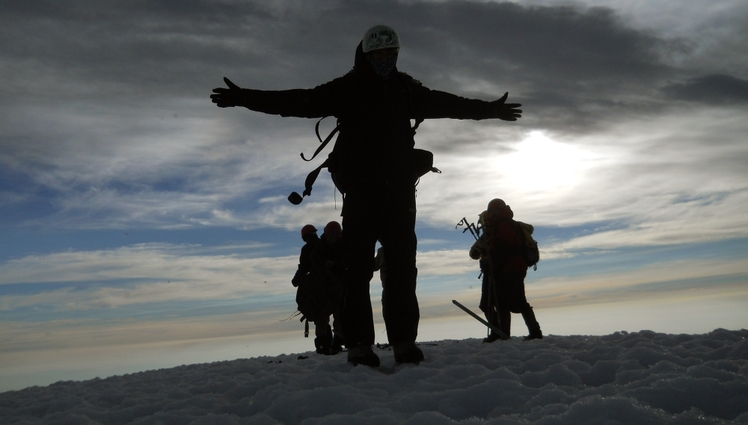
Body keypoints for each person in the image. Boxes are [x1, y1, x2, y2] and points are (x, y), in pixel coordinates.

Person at [211, 25, 522, 366]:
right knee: (357, 272)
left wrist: (489, 110)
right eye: (378, 55)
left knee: (402, 271)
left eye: (390, 54)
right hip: (361, 195)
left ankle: (404, 343)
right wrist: (244, 98)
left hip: (400, 195)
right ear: (367, 55)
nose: (385, 60)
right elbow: (297, 101)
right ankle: (358, 347)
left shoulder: (406, 89)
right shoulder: (348, 88)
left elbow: (449, 104)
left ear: (397, 55)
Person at [481, 198, 542, 341]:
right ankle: (534, 332)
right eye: (491, 210)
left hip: (509, 269)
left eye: (496, 210)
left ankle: (501, 334)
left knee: (501, 302)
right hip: (516, 269)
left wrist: (493, 266)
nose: (493, 213)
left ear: (501, 210)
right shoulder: (504, 224)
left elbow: (502, 250)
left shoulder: (504, 225)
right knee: (519, 301)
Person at [309, 221, 346, 355]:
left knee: (339, 315)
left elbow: (345, 262)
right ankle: (323, 344)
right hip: (322, 288)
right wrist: (324, 265)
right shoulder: (319, 247)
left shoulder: (342, 245)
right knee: (322, 317)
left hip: (337, 288)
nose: (331, 239)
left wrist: (335, 265)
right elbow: (313, 263)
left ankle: (337, 342)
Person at [468, 232, 507, 343]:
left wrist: (482, 252)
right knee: (500, 305)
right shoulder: (496, 232)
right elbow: (474, 254)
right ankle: (501, 333)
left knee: (488, 304)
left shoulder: (490, 233)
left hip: (493, 272)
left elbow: (473, 254)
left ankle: (497, 333)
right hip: (506, 272)